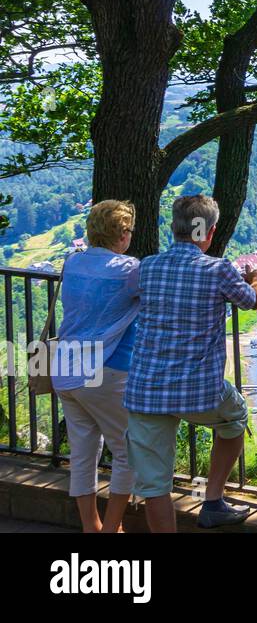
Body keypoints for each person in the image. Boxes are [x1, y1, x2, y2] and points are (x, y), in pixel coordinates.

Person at [125, 195, 257, 532]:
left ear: (174, 228)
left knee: (155, 486)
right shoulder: (218, 269)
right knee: (235, 416)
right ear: (210, 232)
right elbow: (252, 302)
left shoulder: (148, 266)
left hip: (146, 389)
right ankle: (213, 500)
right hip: (198, 392)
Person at [52, 200, 141, 533]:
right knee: (127, 450)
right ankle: (112, 529)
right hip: (104, 371)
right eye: (129, 230)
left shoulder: (71, 262)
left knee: (83, 454)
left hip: (65, 370)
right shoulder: (129, 269)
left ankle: (91, 526)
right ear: (121, 233)